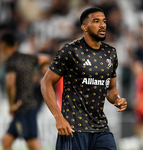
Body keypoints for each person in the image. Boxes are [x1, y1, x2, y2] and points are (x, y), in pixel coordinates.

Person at [41, 7, 127, 150]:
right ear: (84, 27)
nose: (103, 25)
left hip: (100, 128)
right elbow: (46, 83)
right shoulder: (70, 51)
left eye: (104, 21)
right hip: (74, 129)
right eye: (96, 21)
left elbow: (111, 89)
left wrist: (117, 98)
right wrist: (59, 118)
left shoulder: (110, 53)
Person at [0, 31, 51, 150]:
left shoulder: (10, 61)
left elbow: (10, 83)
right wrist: (44, 67)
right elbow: (45, 58)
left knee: (32, 144)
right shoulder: (27, 58)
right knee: (6, 141)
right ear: (16, 44)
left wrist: (11, 105)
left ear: (3, 45)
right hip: (26, 106)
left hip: (23, 107)